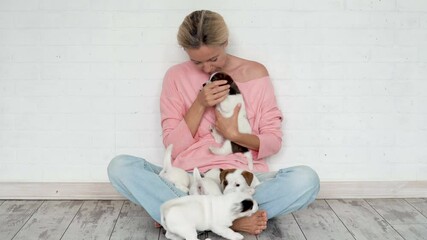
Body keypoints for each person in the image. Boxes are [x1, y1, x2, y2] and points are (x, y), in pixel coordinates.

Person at [108, 10, 320, 235]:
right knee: (120, 167)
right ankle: (229, 220)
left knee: (306, 180)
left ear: (225, 43)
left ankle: (182, 213)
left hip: (239, 180)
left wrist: (235, 135)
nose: (207, 69)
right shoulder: (176, 76)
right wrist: (199, 104)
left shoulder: (255, 73)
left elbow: (273, 140)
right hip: (190, 177)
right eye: (196, 62)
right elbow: (172, 145)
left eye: (213, 59)